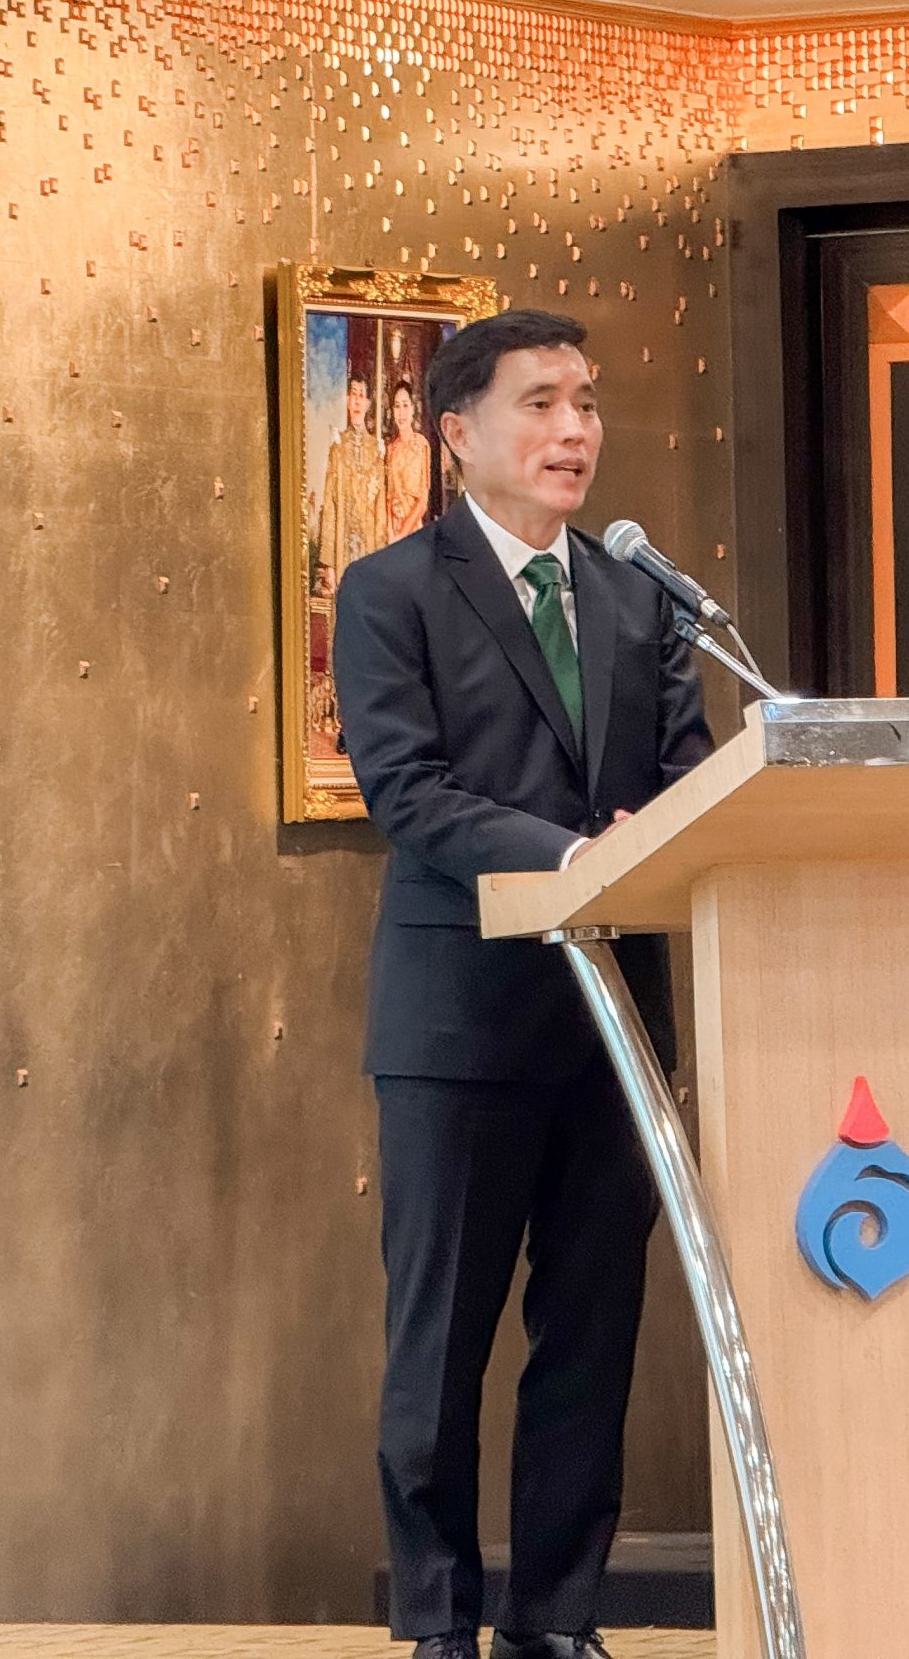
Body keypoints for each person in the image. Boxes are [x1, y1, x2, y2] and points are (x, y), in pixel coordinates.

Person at [332, 309, 711, 1659]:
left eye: (587, 404)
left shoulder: (642, 597)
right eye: (541, 403)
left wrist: (674, 830)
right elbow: (407, 790)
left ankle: (557, 1621)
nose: (574, 431)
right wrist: (569, 853)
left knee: (590, 1341)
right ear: (457, 432)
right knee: (438, 1349)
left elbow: (690, 775)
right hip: (460, 1025)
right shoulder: (390, 591)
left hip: (615, 1028)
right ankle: (440, 1622)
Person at [318, 368, 386, 594]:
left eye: (361, 395)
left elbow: (380, 508)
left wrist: (381, 558)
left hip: (368, 546)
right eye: (353, 394)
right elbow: (330, 504)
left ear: (368, 404)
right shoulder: (337, 448)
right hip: (342, 546)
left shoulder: (376, 450)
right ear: (347, 400)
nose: (357, 401)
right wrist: (328, 563)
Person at [384, 372, 433, 541]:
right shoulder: (390, 450)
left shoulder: (421, 445)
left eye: (405, 405)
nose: (401, 413)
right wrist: (390, 532)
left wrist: (402, 535)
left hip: (413, 530)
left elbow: (423, 502)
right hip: (393, 532)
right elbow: (388, 498)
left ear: (413, 409)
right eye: (397, 406)